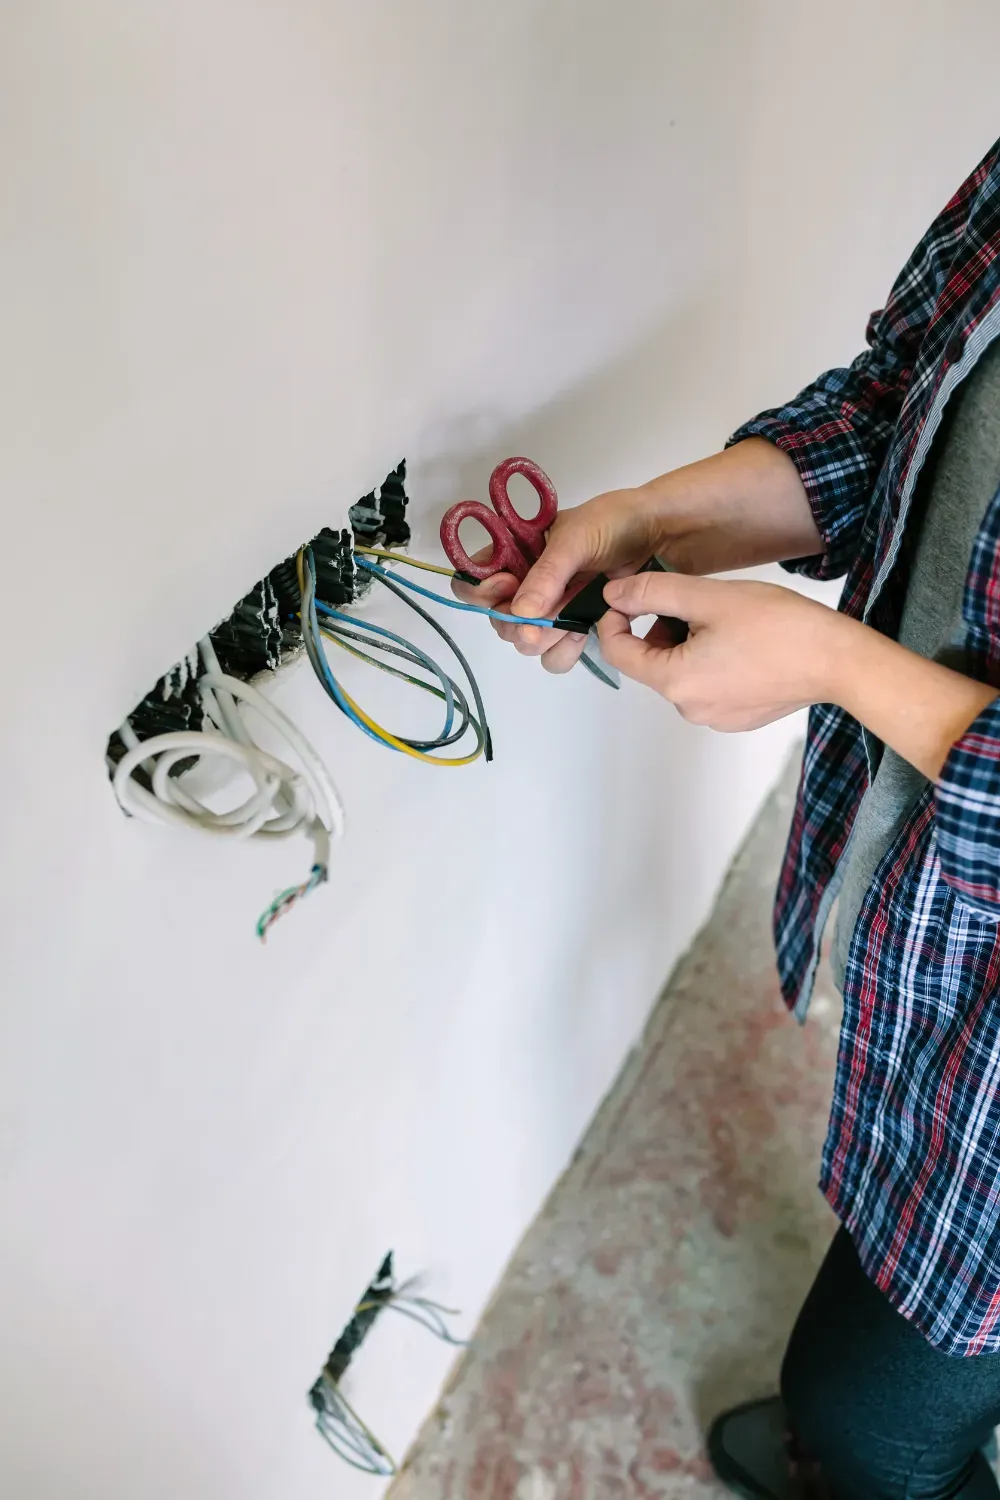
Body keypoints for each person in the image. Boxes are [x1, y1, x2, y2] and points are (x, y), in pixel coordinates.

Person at [454, 137, 1000, 1499]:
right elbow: (897, 405)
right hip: (931, 933)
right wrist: (657, 520)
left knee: (875, 1419)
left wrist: (829, 666)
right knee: (881, 1301)